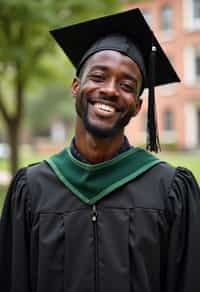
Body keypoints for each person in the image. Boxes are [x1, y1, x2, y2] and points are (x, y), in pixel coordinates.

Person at [0, 8, 200, 292]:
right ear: (75, 86)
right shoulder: (31, 190)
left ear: (138, 106)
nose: (110, 90)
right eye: (98, 76)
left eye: (127, 85)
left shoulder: (170, 191)